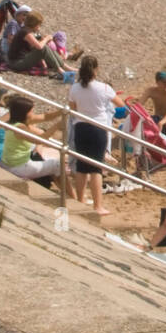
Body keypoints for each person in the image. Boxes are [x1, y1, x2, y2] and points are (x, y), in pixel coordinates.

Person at [67, 56, 124, 216]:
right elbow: (120, 104)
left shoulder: (75, 88)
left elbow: (73, 108)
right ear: (96, 70)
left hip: (81, 127)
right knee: (96, 167)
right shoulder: (104, 88)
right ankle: (98, 205)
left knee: (82, 166)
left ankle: (80, 199)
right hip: (98, 128)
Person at [0, 97, 63, 182]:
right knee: (57, 165)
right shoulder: (20, 128)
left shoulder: (13, 122)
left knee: (56, 168)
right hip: (18, 167)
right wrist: (57, 126)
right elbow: (40, 140)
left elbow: (45, 117)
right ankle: (73, 195)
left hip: (9, 163)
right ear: (25, 113)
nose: (33, 113)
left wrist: (61, 112)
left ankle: (71, 193)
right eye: (31, 111)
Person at [6, 11, 75, 74]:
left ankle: (65, 67)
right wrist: (46, 39)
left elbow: (33, 46)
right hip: (16, 63)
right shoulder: (25, 32)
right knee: (43, 48)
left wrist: (43, 40)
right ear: (34, 24)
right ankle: (60, 70)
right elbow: (39, 47)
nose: (39, 27)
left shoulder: (27, 30)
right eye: (39, 25)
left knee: (45, 47)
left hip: (21, 59)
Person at [143, 70, 166, 144]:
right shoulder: (151, 91)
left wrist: (162, 122)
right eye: (164, 82)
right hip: (157, 119)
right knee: (143, 121)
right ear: (157, 83)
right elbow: (139, 104)